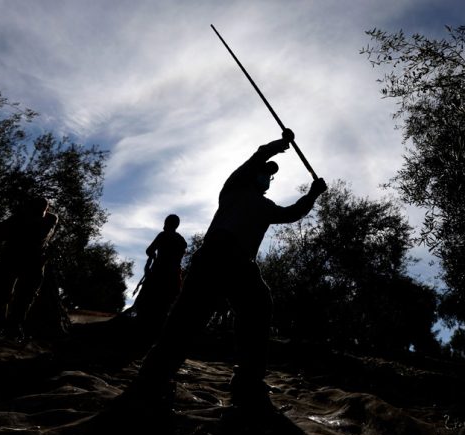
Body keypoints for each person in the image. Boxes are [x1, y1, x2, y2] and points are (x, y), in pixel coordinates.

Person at [121, 128, 327, 411]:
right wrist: (281, 144)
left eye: (270, 174)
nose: (267, 175)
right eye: (265, 171)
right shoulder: (232, 189)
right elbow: (258, 156)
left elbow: (292, 213)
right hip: (213, 259)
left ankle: (247, 377)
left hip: (242, 265)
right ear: (255, 174)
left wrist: (313, 194)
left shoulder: (266, 206)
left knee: (258, 307)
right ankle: (156, 373)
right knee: (187, 317)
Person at [0, 196, 59, 338]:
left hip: (31, 261)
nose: (40, 212)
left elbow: (41, 234)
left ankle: (12, 327)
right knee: (5, 293)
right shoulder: (21, 217)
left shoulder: (49, 219)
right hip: (15, 258)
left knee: (25, 296)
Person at [132, 214, 187, 339]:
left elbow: (149, 250)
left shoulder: (163, 235)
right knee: (164, 307)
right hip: (173, 277)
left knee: (148, 303)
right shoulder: (182, 241)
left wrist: (154, 256)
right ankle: (156, 336)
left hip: (158, 274)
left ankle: (141, 334)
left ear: (167, 223)